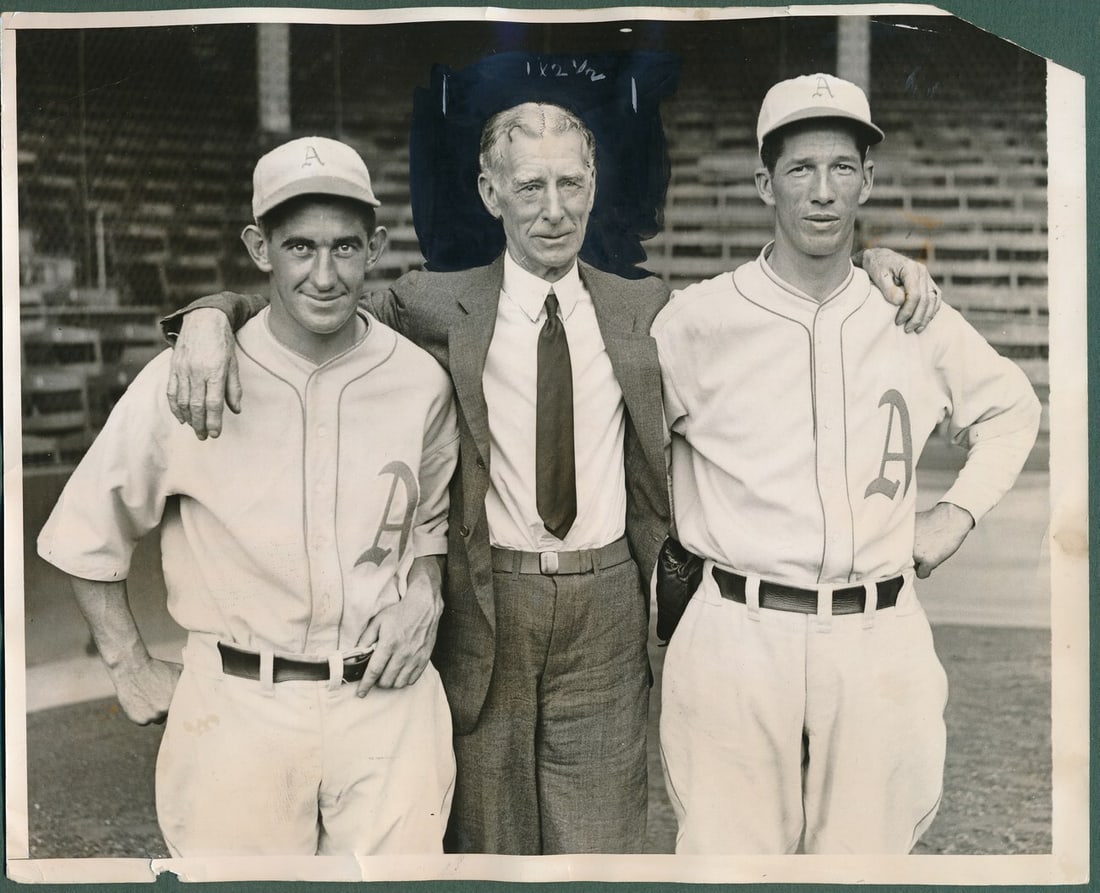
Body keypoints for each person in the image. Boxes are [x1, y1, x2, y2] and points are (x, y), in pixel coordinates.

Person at [162, 101, 940, 854]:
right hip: (488, 599)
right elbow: (313, 298)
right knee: (486, 839)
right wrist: (209, 314)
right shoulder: (433, 303)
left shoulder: (646, 308)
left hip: (605, 602)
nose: (553, 209)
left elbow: (790, 286)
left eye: (570, 184)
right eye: (529, 186)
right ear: (489, 192)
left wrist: (871, 261)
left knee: (599, 845)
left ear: (593, 189)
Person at [651, 73, 1042, 854]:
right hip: (738, 629)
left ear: (869, 177)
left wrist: (956, 511)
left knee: (867, 864)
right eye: (800, 169)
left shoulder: (911, 313)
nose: (822, 191)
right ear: (765, 182)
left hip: (876, 632)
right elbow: (628, 451)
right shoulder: (698, 320)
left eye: (841, 167)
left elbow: (1012, 406)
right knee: (729, 866)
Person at [37, 137, 459, 856]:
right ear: (259, 247)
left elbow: (428, 525)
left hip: (387, 708)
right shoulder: (185, 377)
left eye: (346, 248)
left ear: (376, 246)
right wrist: (128, 663)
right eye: (299, 247)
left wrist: (426, 590)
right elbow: (84, 534)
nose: (324, 275)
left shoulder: (420, 380)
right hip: (237, 707)